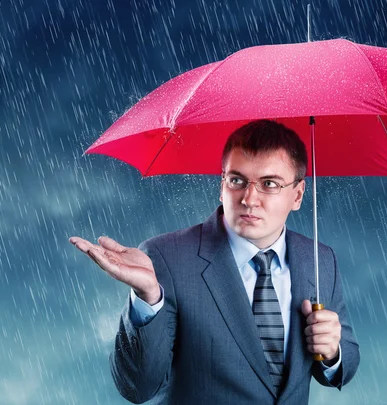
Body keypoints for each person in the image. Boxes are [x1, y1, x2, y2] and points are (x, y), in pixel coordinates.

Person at [69, 119, 360, 404]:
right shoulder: (166, 258)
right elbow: (137, 387)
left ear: (297, 195)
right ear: (222, 186)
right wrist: (148, 299)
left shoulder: (320, 261)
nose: (249, 198)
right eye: (237, 180)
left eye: (269, 184)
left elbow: (343, 363)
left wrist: (332, 354)